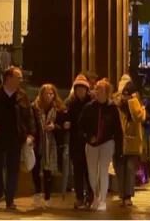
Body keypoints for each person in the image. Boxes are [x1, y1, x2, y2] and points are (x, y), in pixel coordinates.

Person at [0, 66, 34, 210]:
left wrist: (30, 134)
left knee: (13, 168)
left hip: (15, 137)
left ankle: (10, 199)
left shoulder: (23, 96)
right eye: (18, 77)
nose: (21, 80)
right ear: (8, 78)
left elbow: (29, 117)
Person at [79, 79, 122, 212]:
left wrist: (119, 148)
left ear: (107, 92)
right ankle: (96, 195)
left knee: (103, 170)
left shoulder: (113, 108)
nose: (98, 92)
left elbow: (117, 130)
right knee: (92, 173)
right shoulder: (89, 107)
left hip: (107, 142)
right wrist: (87, 137)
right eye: (97, 89)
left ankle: (102, 199)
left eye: (101, 90)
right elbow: (80, 127)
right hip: (91, 144)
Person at [114, 76, 146, 207]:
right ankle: (122, 195)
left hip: (132, 143)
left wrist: (133, 102)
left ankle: (128, 196)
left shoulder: (138, 105)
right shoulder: (116, 104)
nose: (125, 97)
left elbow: (139, 117)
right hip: (119, 142)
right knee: (120, 170)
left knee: (130, 170)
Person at [32, 84, 64, 209]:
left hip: (51, 143)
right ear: (42, 94)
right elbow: (32, 123)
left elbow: (63, 126)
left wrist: (54, 127)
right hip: (38, 142)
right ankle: (37, 193)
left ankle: (47, 197)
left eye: (51, 94)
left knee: (48, 170)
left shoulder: (58, 108)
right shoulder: (35, 107)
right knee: (35, 169)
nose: (49, 96)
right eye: (47, 94)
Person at [65, 74, 93, 207]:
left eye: (82, 89)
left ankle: (90, 195)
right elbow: (66, 118)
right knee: (77, 170)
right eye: (78, 89)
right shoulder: (71, 103)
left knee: (89, 171)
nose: (80, 91)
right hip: (75, 141)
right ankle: (79, 197)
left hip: (89, 141)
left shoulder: (92, 103)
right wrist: (66, 124)